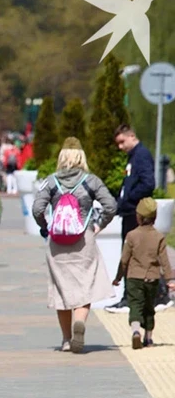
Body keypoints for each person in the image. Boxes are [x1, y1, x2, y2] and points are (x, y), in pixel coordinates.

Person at [33, 137, 117, 354]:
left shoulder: (51, 181)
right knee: (84, 286)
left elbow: (37, 208)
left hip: (57, 241)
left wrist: (46, 227)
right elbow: (111, 205)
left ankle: (66, 339)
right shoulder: (92, 181)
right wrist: (98, 226)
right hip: (83, 239)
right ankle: (80, 323)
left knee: (62, 290)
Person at [107, 125, 157, 313]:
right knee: (132, 255)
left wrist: (128, 199)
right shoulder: (133, 156)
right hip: (129, 212)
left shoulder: (141, 155)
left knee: (133, 256)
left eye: (122, 142)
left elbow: (148, 183)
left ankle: (133, 298)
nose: (120, 147)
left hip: (135, 213)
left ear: (132, 136)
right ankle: (133, 296)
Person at [113, 198, 175, 349]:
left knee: (135, 305)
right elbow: (164, 260)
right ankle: (148, 338)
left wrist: (118, 277)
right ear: (155, 217)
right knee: (149, 308)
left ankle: (135, 332)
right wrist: (170, 279)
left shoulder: (131, 235)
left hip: (134, 277)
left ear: (138, 217)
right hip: (152, 277)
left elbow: (124, 260)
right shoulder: (159, 236)